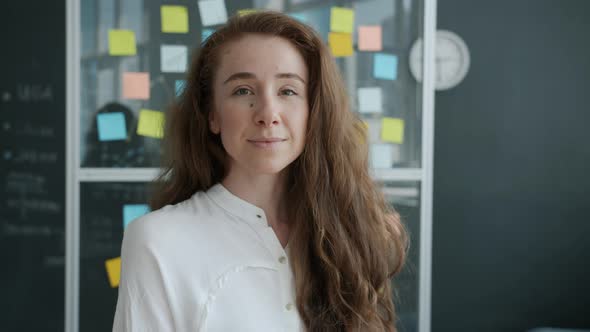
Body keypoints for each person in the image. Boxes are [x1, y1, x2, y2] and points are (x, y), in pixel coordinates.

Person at [113, 11, 407, 332]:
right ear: (212, 114)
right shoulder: (157, 241)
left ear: (314, 110)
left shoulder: (355, 230)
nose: (268, 114)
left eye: (288, 91)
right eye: (243, 91)